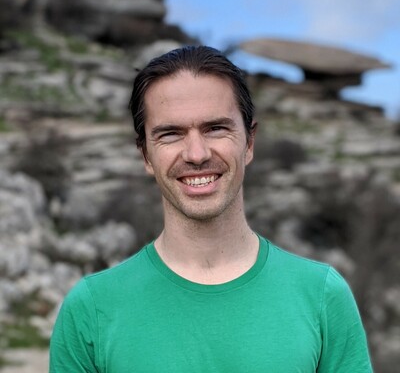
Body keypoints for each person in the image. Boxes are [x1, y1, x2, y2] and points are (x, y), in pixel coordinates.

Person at [49, 45, 373, 372]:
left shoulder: (322, 296)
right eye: (171, 134)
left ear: (249, 142)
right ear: (145, 155)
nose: (196, 154)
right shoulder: (91, 309)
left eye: (215, 128)